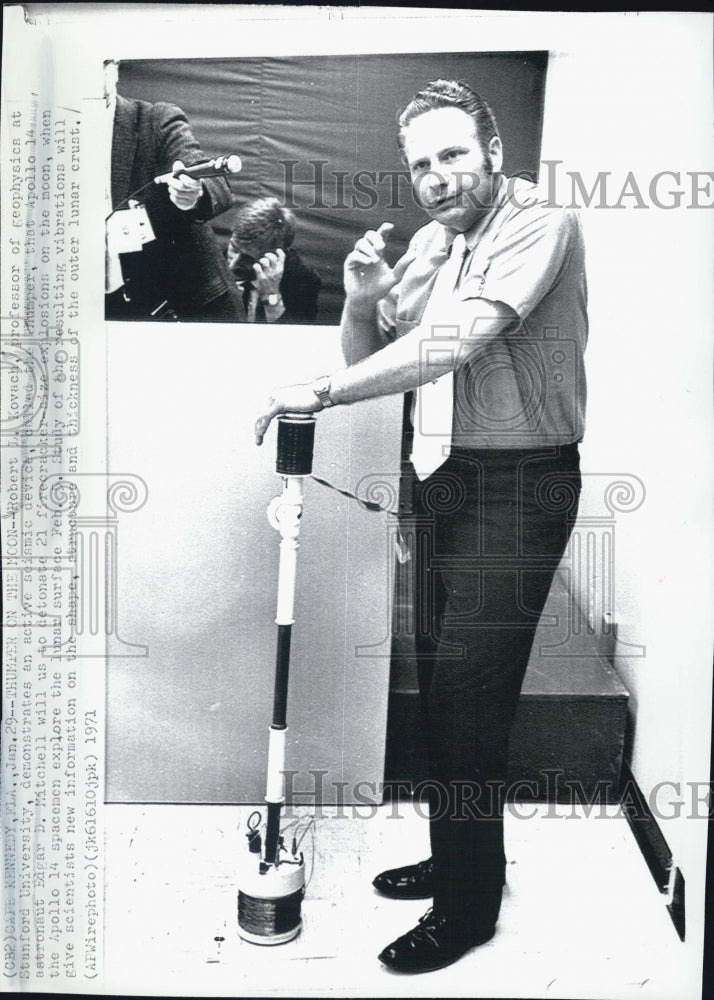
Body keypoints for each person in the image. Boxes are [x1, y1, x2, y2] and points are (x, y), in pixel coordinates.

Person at [254, 79, 587, 974]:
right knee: (445, 683)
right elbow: (383, 362)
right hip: (442, 475)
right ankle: (461, 857)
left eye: (453, 155)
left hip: (521, 485)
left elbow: (450, 346)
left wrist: (315, 392)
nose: (438, 178)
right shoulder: (437, 242)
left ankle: (470, 907)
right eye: (422, 165)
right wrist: (362, 297)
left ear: (495, 155)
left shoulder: (537, 224)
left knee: (470, 705)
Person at [104, 60, 242, 322]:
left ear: (114, 67)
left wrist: (195, 192)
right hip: (111, 311)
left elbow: (216, 186)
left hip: (187, 305)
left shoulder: (155, 120)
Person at [226, 198, 321, 323]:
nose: (232, 264)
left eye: (247, 259)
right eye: (234, 248)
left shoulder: (303, 279)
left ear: (274, 256)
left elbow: (298, 339)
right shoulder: (213, 261)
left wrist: (271, 296)